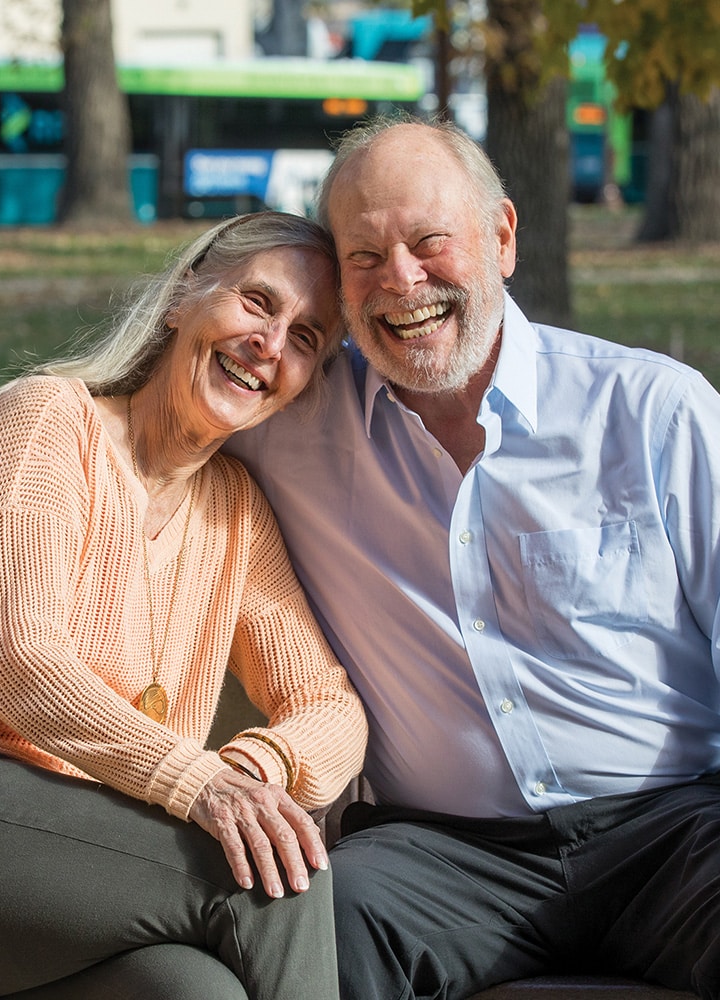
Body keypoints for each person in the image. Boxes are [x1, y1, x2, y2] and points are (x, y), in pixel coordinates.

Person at [223, 117, 720, 999]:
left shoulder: (657, 414)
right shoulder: (288, 427)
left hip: (672, 831)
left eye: (429, 240)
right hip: (445, 855)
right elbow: (162, 408)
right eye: (364, 256)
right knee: (310, 928)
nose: (402, 280)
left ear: (502, 237)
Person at [0, 211, 367, 1000]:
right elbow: (19, 658)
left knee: (192, 991)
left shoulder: (234, 511)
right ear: (182, 295)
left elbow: (329, 704)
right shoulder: (46, 423)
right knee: (274, 875)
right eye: (258, 303)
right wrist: (195, 782)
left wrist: (251, 767)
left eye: (306, 338)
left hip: (80, 864)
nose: (270, 345)